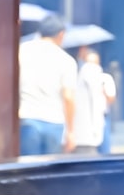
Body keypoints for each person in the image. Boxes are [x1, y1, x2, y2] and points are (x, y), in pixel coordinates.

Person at [18, 11, 79, 155]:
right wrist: (71, 131)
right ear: (61, 34)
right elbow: (68, 97)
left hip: (27, 118)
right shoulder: (66, 60)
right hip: (54, 122)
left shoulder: (21, 51)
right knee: (49, 173)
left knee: (27, 171)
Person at [71, 46, 116, 155]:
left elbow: (111, 99)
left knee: (105, 150)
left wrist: (102, 89)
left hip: (102, 117)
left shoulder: (105, 78)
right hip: (85, 119)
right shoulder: (78, 77)